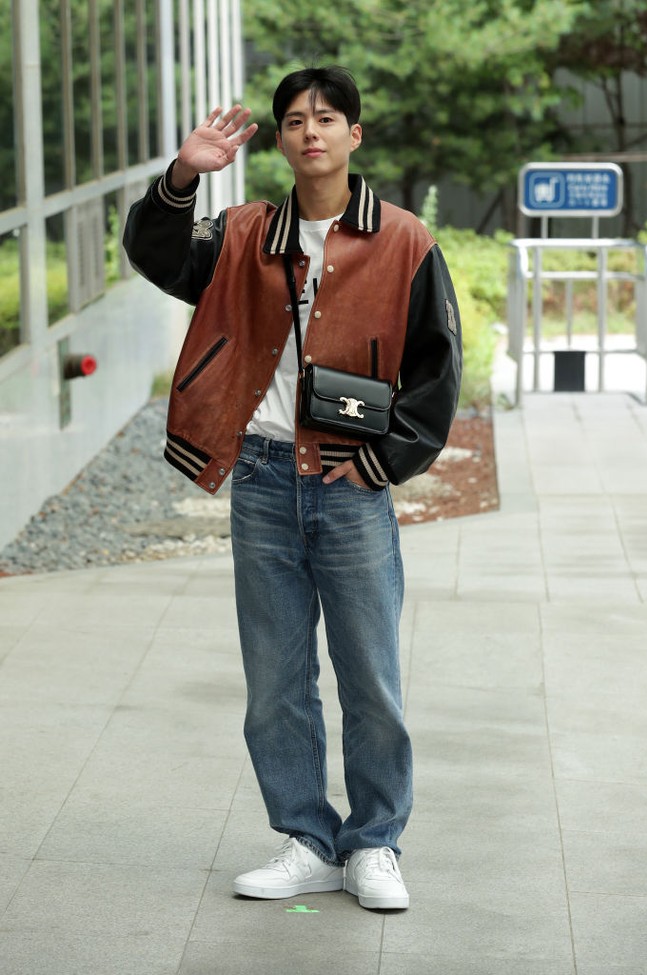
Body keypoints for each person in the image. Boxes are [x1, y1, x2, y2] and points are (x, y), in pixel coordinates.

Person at [124, 65, 462, 911]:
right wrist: (182, 177)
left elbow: (435, 368)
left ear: (355, 135)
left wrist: (385, 461)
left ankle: (375, 841)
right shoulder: (242, 232)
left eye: (328, 118)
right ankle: (307, 838)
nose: (312, 131)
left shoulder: (405, 240)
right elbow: (155, 253)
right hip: (266, 480)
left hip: (351, 486)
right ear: (279, 141)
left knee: (370, 676)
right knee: (275, 680)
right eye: (295, 121)